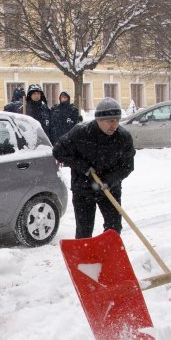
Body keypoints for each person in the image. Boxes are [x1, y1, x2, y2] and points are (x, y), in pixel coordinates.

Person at [51, 97, 135, 239]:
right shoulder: (81, 133)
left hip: (109, 189)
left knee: (114, 228)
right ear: (98, 119)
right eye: (110, 121)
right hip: (83, 189)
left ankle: (107, 256)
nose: (114, 125)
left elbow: (127, 166)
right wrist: (83, 166)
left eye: (117, 120)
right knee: (84, 230)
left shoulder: (123, 137)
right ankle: (84, 258)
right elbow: (58, 152)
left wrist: (109, 180)